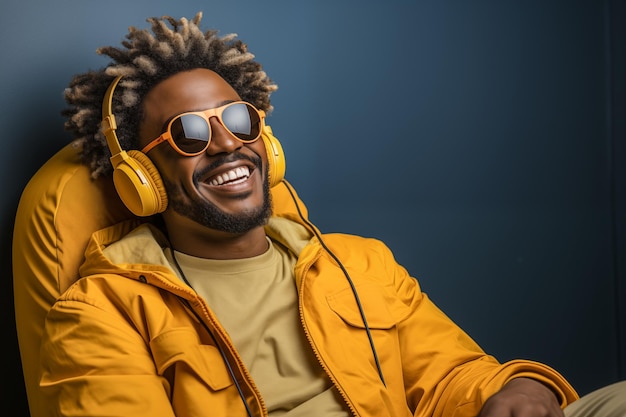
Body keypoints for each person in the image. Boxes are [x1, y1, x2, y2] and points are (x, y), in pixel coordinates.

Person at [28, 12, 624, 417]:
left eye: (239, 121)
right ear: (143, 179)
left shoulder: (356, 262)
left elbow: (449, 376)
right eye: (188, 134)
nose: (226, 145)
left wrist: (515, 387)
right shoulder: (103, 312)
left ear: (266, 139)